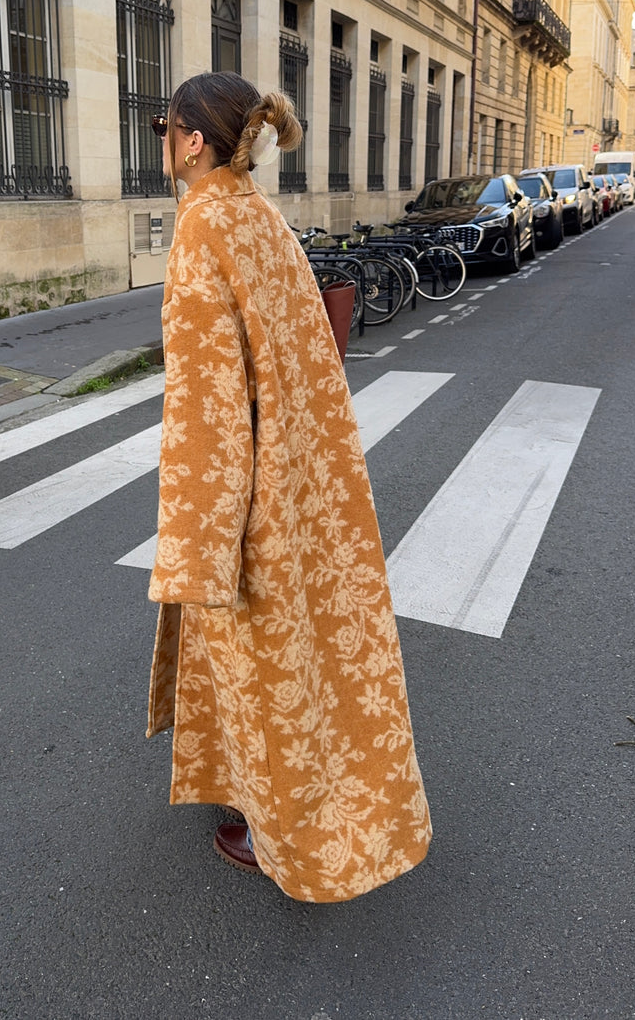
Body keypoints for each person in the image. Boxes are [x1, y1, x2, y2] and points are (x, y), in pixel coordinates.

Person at [145, 71, 431, 904]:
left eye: (167, 123)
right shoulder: (262, 217)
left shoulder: (202, 227)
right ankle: (345, 794)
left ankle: (284, 833)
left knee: (257, 653)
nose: (162, 134)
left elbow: (207, 404)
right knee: (314, 652)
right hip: (310, 472)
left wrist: (201, 539)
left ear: (193, 140)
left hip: (251, 486)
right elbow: (315, 352)